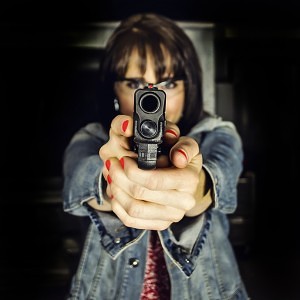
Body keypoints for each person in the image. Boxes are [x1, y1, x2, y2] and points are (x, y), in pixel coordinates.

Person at [62, 13, 249, 300]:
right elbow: (80, 180)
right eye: (135, 83)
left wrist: (193, 187)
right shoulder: (91, 139)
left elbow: (215, 176)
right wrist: (113, 180)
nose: (152, 96)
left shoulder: (217, 133)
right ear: (114, 89)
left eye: (168, 83)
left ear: (189, 88)